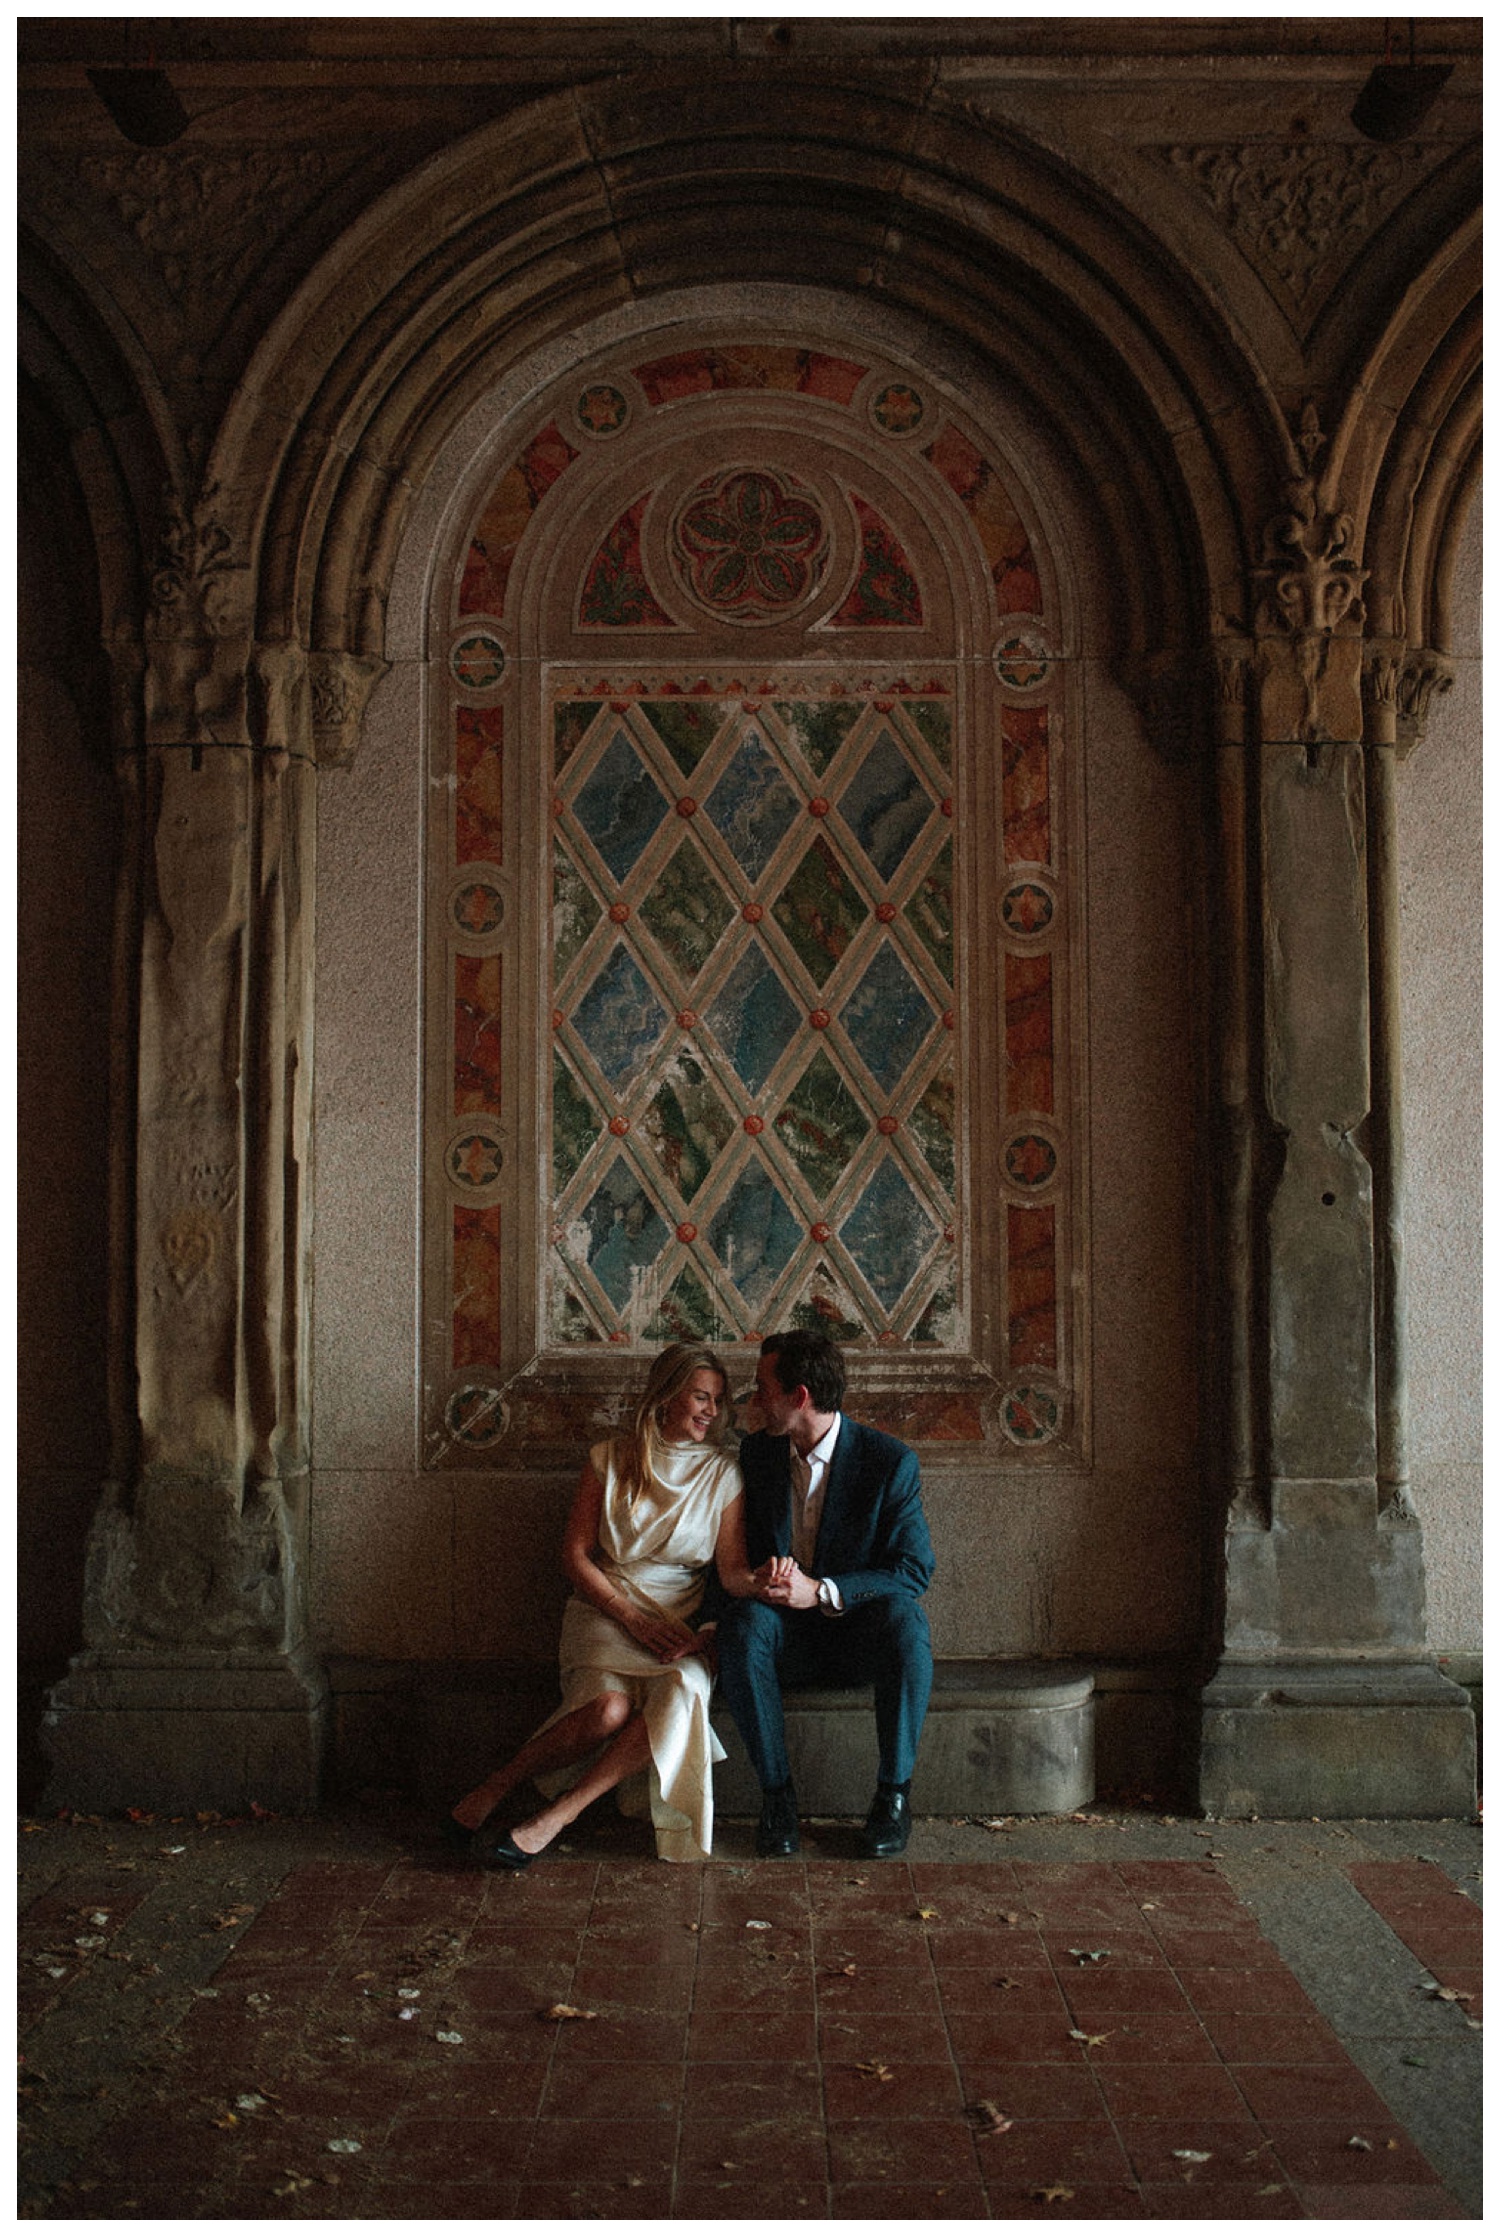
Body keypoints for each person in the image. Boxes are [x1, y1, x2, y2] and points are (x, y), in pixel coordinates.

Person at [442, 1342, 749, 1867]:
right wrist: (629, 1618)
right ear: (666, 1395)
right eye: (701, 1397)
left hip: (679, 1622)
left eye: (717, 1401)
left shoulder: (724, 1474)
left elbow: (731, 1573)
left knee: (683, 1690)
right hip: (605, 1609)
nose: (711, 1412)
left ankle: (557, 1815)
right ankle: (501, 1783)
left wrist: (772, 1585)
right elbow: (575, 1556)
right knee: (609, 1711)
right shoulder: (608, 1458)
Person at [713, 1330, 935, 1858]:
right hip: (781, 1636)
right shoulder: (757, 1453)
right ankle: (777, 1798)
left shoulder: (889, 1461)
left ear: (800, 1396)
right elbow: (726, 1550)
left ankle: (893, 1798)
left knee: (907, 1623)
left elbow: (912, 1569)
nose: (754, 1400)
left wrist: (823, 1591)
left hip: (855, 1634)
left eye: (763, 1388)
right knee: (741, 1627)